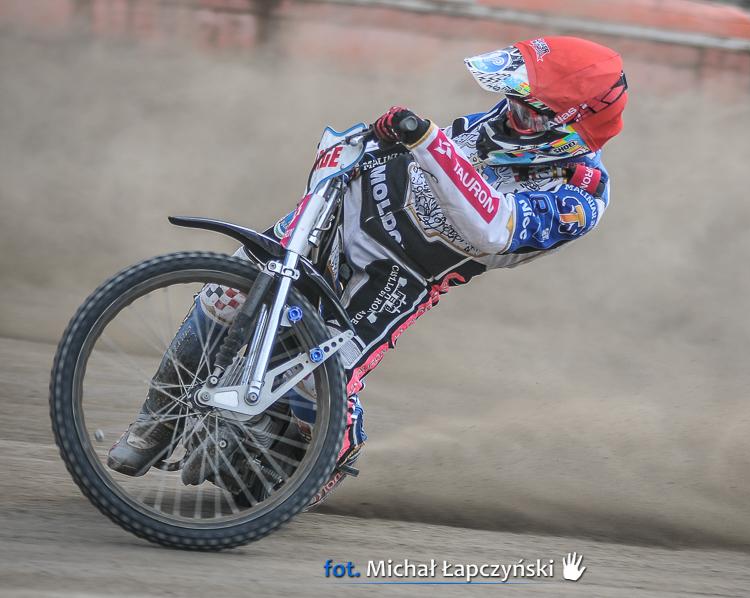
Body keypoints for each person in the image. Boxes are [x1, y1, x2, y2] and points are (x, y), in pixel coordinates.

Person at [107, 36, 628, 508]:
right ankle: (157, 421)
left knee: (310, 386)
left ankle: (320, 456)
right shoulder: (508, 120)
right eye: (512, 101)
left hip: (398, 278)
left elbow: (493, 228)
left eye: (529, 113)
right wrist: (369, 143)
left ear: (570, 129)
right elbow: (440, 151)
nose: (512, 116)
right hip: (347, 212)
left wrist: (426, 140)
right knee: (228, 293)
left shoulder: (579, 196)